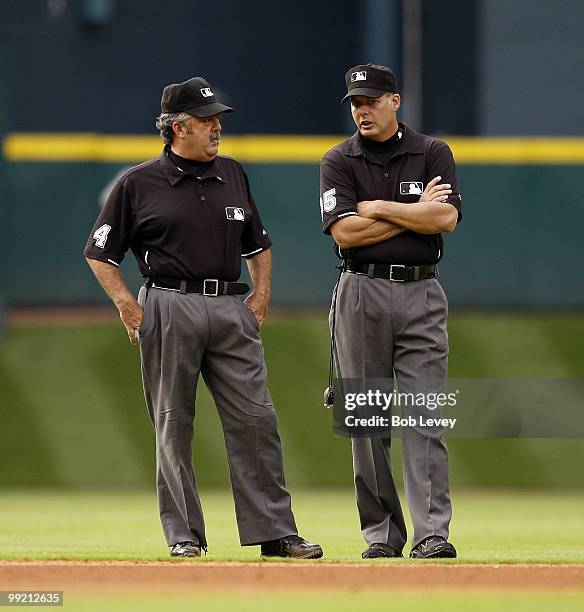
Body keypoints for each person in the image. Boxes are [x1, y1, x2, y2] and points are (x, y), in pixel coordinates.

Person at [84, 76, 323, 560]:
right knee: (174, 422)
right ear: (177, 127)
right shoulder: (137, 182)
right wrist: (130, 307)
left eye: (218, 118)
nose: (217, 126)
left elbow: (258, 244)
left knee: (257, 420)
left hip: (231, 307)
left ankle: (276, 533)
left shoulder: (232, 172)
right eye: (207, 119)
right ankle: (184, 536)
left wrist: (261, 297)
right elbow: (99, 252)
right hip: (169, 304)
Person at [320, 64, 462, 559]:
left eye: (372, 100)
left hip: (422, 292)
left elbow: (444, 217)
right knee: (366, 418)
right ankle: (382, 536)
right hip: (361, 291)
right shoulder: (338, 159)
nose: (362, 110)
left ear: (394, 101)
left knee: (426, 415)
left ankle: (431, 535)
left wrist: (375, 207)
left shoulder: (432, 152)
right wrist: (409, 214)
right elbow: (344, 233)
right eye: (356, 103)